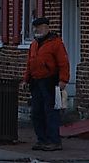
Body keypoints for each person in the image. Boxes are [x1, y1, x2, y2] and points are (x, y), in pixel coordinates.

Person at [23, 17, 69, 152]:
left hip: (50, 81)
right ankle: (42, 139)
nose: (36, 30)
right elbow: (29, 63)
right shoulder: (34, 44)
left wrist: (63, 80)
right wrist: (26, 79)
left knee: (51, 112)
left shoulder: (56, 43)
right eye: (35, 27)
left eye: (40, 27)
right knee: (36, 112)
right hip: (36, 81)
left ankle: (54, 141)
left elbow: (63, 63)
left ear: (47, 28)